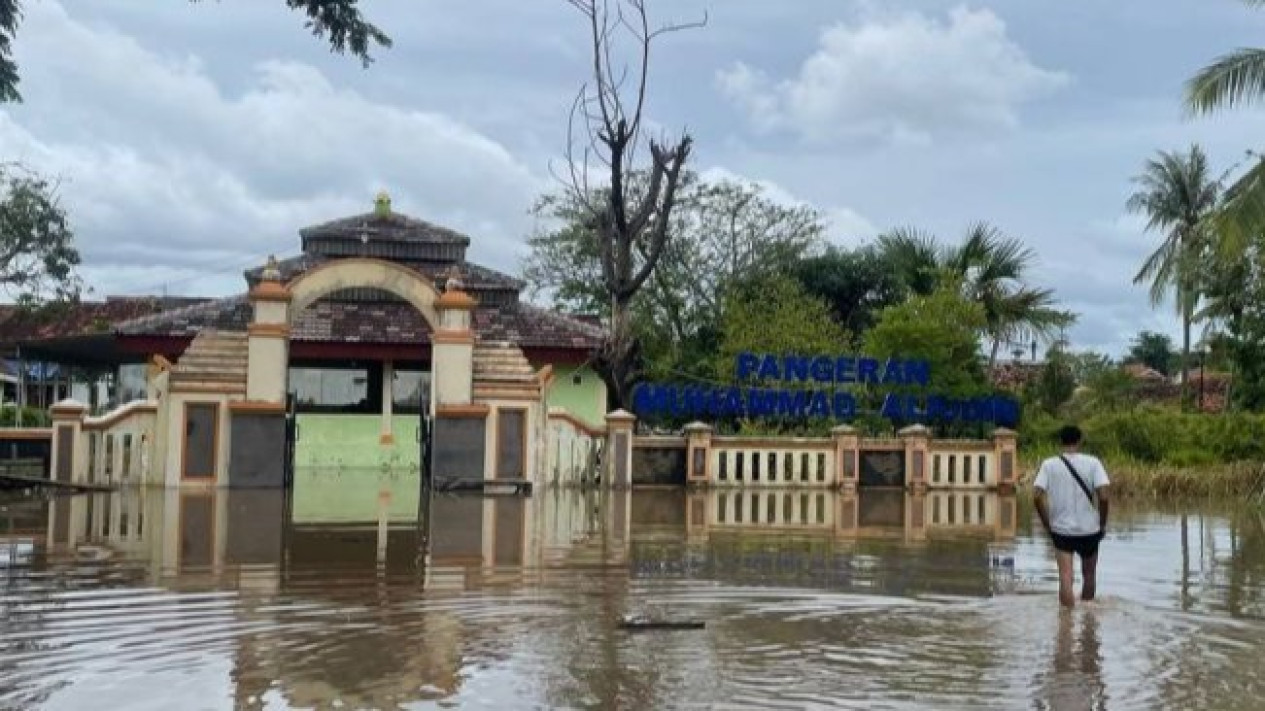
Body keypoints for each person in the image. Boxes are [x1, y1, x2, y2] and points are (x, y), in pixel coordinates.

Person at [1033, 425, 1110, 608]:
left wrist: (1046, 523)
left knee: (1065, 577)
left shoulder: (1049, 464)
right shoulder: (1093, 463)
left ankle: (1066, 624)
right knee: (1089, 574)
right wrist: (1102, 523)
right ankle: (1088, 618)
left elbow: (1036, 495)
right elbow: (1104, 497)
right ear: (1080, 441)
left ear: (1061, 442)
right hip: (1090, 530)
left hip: (1061, 530)